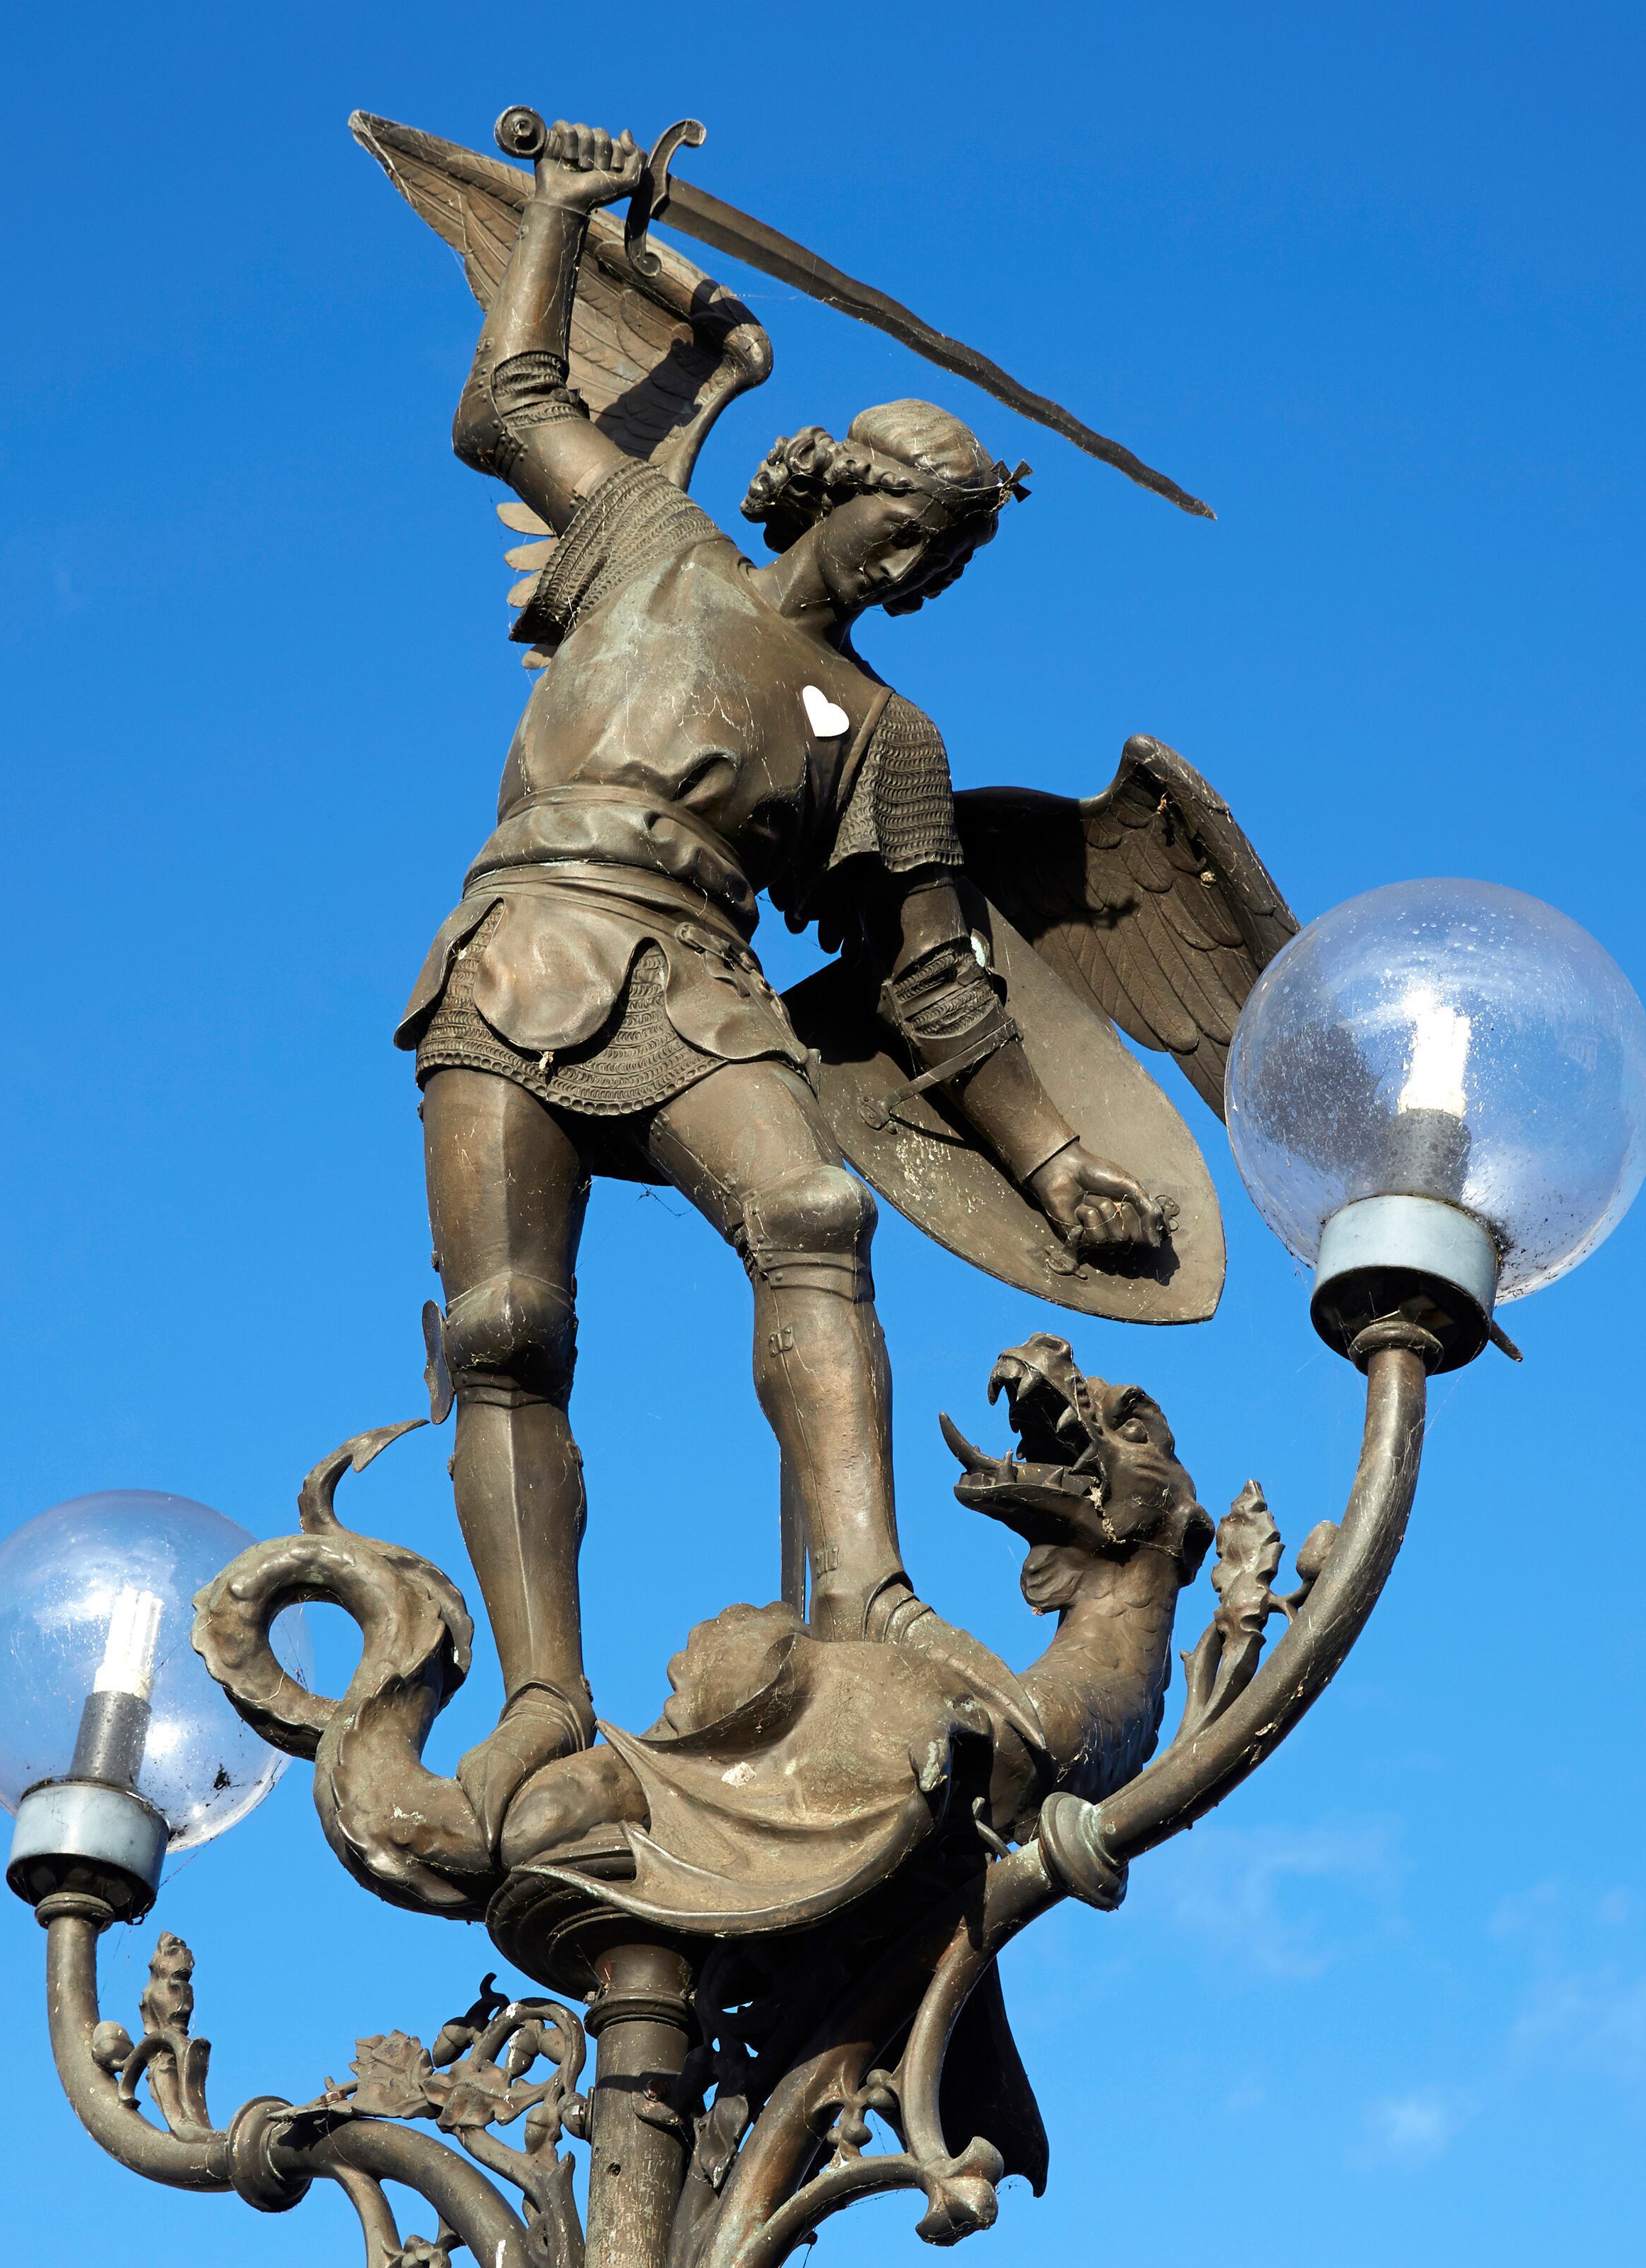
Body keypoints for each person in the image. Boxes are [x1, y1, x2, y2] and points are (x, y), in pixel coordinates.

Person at [402, 122, 1162, 1847]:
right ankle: (543, 1695)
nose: (920, 570)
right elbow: (503, 406)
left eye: (949, 559)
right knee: (510, 1330)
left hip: (693, 967)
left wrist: (1053, 1162)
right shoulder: (650, 544)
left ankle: (866, 1591)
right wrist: (556, 218)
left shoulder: (890, 736)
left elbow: (938, 987)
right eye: (914, 526)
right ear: (839, 483)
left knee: (813, 1207)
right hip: (521, 926)